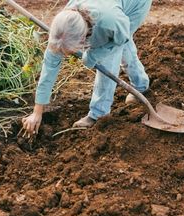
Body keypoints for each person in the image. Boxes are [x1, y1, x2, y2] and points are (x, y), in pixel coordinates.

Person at [22, 0, 152, 135]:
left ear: (83, 38)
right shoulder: (63, 25)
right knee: (116, 40)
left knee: (110, 55)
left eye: (70, 51)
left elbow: (121, 39)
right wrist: (37, 112)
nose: (66, 55)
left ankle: (98, 114)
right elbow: (49, 66)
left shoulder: (109, 21)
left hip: (135, 5)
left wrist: (93, 55)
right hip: (111, 11)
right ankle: (141, 84)